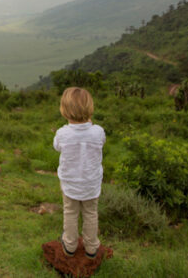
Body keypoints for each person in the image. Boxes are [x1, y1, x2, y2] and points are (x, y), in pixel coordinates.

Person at [53, 87, 106, 259]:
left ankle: (70, 245)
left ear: (65, 110)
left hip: (70, 184)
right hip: (91, 184)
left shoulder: (62, 133)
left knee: (70, 212)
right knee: (91, 213)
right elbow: (101, 142)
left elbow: (56, 147)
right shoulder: (98, 131)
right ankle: (91, 247)